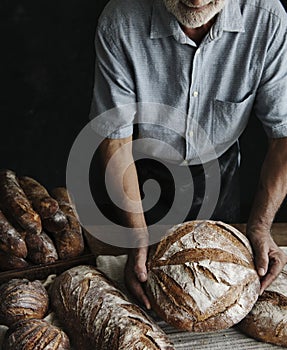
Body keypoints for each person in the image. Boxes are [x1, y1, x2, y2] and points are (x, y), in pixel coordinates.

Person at [89, 0, 287, 310]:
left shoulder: (267, 17)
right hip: (141, 175)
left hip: (220, 172)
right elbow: (115, 142)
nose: (195, 1)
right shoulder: (121, 21)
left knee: (219, 290)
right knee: (151, 288)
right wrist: (138, 237)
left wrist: (260, 227)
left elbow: (284, 138)